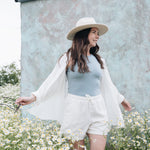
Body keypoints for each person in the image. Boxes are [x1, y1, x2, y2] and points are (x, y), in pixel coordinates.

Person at [15, 17, 132, 150]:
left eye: (98, 33)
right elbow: (51, 81)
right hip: (75, 108)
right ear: (84, 34)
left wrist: (122, 100)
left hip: (98, 107)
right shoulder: (68, 58)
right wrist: (32, 98)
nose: (97, 36)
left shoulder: (100, 61)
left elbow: (108, 85)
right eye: (94, 32)